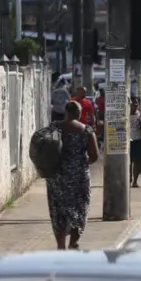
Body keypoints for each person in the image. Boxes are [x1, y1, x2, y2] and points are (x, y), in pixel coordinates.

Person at [48, 101, 98, 250]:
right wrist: (80, 163)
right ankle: (74, 241)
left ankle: (60, 244)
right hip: (79, 176)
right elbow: (94, 156)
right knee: (79, 208)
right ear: (80, 113)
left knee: (59, 211)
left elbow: (45, 146)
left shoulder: (55, 127)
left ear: (66, 112)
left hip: (58, 176)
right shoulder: (87, 131)